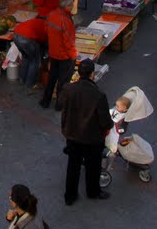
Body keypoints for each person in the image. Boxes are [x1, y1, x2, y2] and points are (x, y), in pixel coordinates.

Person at [58, 59, 112, 205]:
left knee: (73, 165)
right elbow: (105, 121)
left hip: (72, 135)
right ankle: (93, 192)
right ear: (92, 74)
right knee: (93, 167)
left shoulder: (68, 89)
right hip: (92, 138)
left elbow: (61, 106)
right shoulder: (99, 95)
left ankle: (70, 196)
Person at [40, 0, 77, 110]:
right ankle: (59, 105)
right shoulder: (65, 20)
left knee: (52, 78)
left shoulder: (51, 15)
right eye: (71, 5)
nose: (72, 7)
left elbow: (46, 29)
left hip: (53, 53)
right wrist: (73, 55)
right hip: (64, 56)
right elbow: (68, 41)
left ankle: (45, 101)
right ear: (67, 6)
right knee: (63, 81)